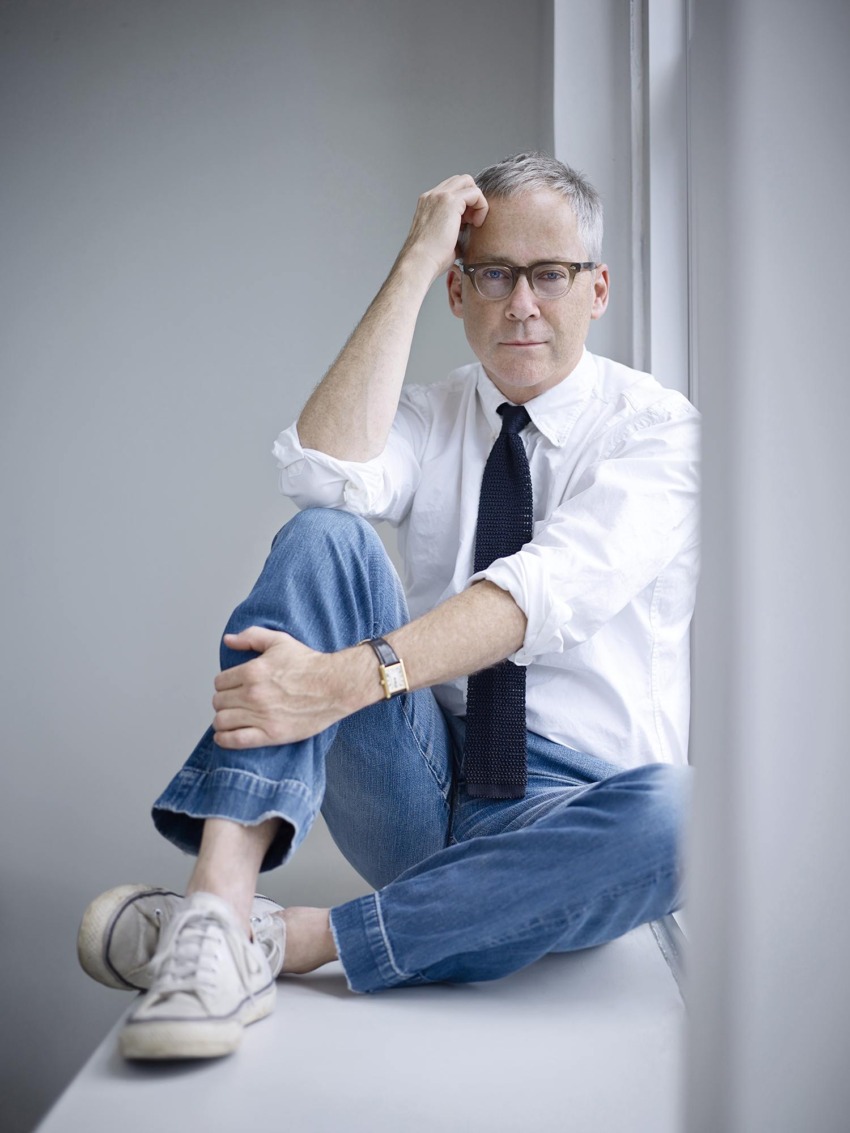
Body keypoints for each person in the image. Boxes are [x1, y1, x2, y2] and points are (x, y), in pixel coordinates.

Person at [77, 152, 699, 1061]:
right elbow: (318, 471)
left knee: (682, 818)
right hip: (418, 778)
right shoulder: (434, 410)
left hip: (561, 825)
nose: (522, 303)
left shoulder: (658, 430)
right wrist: (414, 256)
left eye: (551, 275)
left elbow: (544, 590)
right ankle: (215, 909)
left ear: (596, 288)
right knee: (328, 532)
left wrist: (347, 679)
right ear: (460, 290)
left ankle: (282, 939)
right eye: (492, 273)